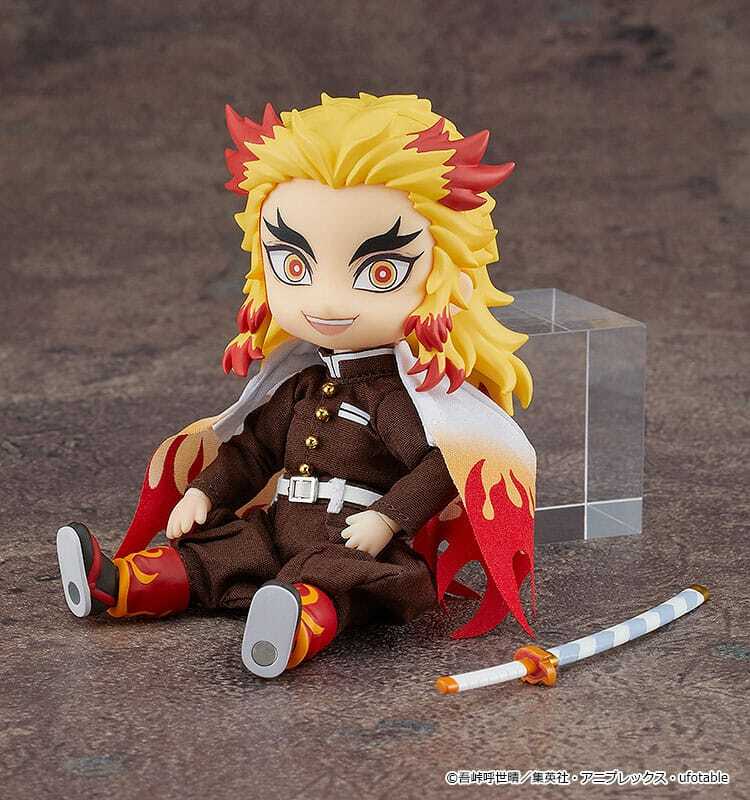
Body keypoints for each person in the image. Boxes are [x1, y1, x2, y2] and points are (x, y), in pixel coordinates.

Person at [56, 93, 537, 678]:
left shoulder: (400, 399)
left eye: (379, 272)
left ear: (444, 278)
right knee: (218, 553)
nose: (327, 301)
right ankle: (119, 585)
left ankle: (290, 630)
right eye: (294, 266)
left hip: (349, 541)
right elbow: (254, 451)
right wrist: (204, 492)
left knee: (329, 582)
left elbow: (441, 467)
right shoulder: (303, 384)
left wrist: (388, 518)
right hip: (280, 523)